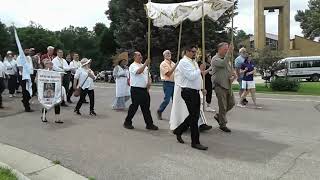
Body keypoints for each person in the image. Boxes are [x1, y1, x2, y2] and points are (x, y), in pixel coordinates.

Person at [171, 45, 208, 151]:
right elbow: (191, 76)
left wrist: (201, 88)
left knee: (193, 116)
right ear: (186, 51)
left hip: (195, 91)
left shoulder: (193, 61)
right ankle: (195, 142)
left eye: (195, 52)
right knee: (194, 118)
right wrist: (200, 70)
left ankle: (179, 130)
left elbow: (198, 77)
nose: (194, 54)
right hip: (188, 92)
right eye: (193, 52)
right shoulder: (183, 62)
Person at [123, 51, 158, 131]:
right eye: (139, 55)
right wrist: (146, 64)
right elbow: (138, 72)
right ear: (134, 57)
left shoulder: (144, 66)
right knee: (134, 106)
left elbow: (148, 75)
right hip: (136, 89)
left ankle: (149, 124)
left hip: (144, 90)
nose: (141, 56)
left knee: (146, 108)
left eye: (141, 55)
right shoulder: (132, 66)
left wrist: (149, 82)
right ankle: (127, 122)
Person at [211, 43, 236, 133]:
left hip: (228, 85)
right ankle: (223, 124)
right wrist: (229, 52)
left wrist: (233, 76)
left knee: (232, 103)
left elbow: (231, 70)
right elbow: (223, 63)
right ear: (219, 49)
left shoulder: (227, 59)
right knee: (223, 106)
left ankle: (219, 116)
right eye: (225, 49)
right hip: (219, 85)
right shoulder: (215, 59)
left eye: (227, 49)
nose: (227, 51)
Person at [39, 59, 64, 123]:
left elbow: (59, 79)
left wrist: (60, 76)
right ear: (46, 65)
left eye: (52, 64)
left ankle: (57, 118)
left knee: (57, 103)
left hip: (54, 89)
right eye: (50, 64)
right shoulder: (41, 72)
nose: (51, 65)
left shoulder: (55, 72)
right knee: (46, 103)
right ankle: (43, 116)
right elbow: (38, 80)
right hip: (45, 89)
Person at [157, 50, 177, 120]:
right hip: (167, 83)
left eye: (169, 53)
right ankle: (160, 110)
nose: (169, 54)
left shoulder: (173, 63)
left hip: (175, 83)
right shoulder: (163, 64)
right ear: (164, 55)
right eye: (167, 53)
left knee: (176, 100)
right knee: (167, 100)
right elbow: (168, 74)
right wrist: (175, 66)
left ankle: (176, 115)